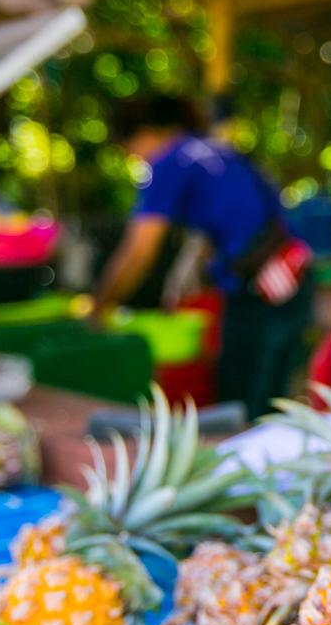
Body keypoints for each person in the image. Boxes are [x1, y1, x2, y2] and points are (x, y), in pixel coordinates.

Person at [93, 95, 312, 421]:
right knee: (272, 404)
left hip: (261, 293)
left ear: (142, 134)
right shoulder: (215, 149)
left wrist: (99, 307)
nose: (135, 158)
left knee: (244, 409)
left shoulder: (169, 163)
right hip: (295, 279)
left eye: (129, 149)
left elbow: (138, 253)